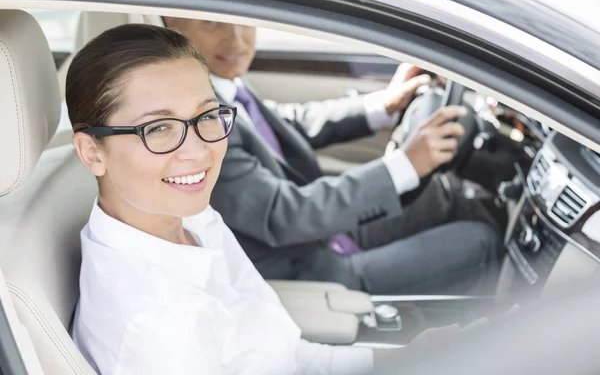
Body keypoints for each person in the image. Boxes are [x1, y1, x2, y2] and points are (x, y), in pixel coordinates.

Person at [69, 23, 390, 375]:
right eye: (158, 128)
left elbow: (285, 356)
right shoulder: (156, 329)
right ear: (92, 153)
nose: (199, 151)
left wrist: (404, 362)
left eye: (206, 116)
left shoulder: (192, 218)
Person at [163, 18, 503, 295]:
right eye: (214, 23)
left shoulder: (223, 86)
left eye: (245, 22)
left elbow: (290, 122)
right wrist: (405, 164)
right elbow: (286, 215)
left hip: (322, 236)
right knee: (481, 242)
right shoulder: (202, 126)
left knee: (446, 197)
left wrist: (382, 105)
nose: (236, 39)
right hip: (308, 269)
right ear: (174, 24)